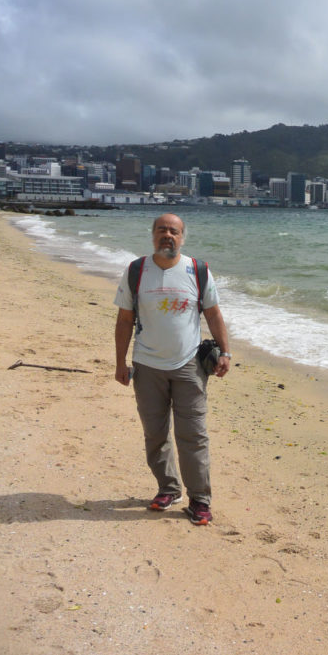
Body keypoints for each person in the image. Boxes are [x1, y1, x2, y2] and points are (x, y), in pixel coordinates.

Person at [113, 213, 231, 525]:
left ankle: (200, 500)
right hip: (147, 365)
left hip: (189, 365)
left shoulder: (197, 270)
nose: (168, 235)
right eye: (162, 230)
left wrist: (226, 352)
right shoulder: (137, 271)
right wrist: (119, 362)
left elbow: (214, 314)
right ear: (153, 235)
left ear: (182, 237)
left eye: (174, 231)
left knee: (193, 435)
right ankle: (168, 488)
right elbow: (124, 320)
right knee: (155, 433)